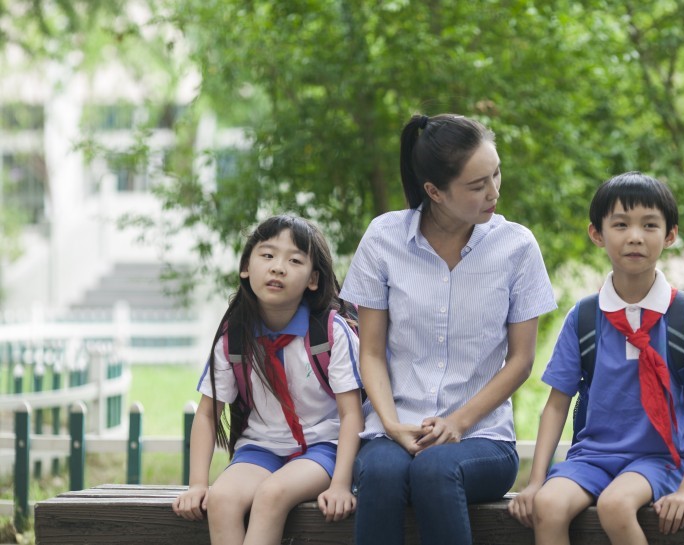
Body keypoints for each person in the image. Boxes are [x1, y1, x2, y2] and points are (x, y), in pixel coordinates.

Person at [339, 113, 557, 545]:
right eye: (477, 186)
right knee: (382, 472)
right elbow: (372, 352)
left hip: (482, 438)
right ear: (434, 192)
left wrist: (458, 422)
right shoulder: (383, 239)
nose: (494, 192)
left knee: (436, 470)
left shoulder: (517, 247)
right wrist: (390, 424)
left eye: (495, 174)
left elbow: (521, 360)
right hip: (393, 427)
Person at [508, 172, 684, 544]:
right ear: (597, 234)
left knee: (615, 505)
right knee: (546, 505)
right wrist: (534, 482)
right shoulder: (584, 317)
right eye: (621, 224)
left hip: (662, 459)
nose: (635, 236)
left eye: (649, 225)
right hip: (592, 457)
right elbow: (556, 405)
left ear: (670, 234)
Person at [172, 215, 363, 545]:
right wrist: (197, 484)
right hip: (261, 447)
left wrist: (341, 484)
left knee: (271, 495)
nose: (278, 268)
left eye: (294, 260)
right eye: (268, 255)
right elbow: (206, 414)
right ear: (246, 267)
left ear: (313, 279)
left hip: (323, 448)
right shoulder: (235, 336)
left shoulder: (329, 333)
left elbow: (351, 414)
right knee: (221, 499)